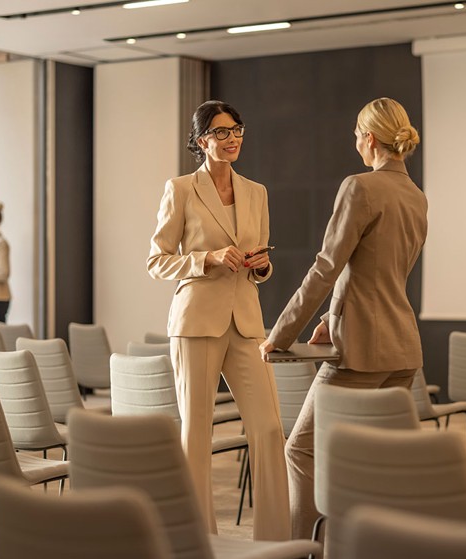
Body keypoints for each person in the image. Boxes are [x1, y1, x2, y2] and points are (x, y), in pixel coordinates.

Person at [259, 97, 428, 539]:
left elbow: (327, 267)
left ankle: (305, 551)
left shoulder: (360, 187)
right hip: (402, 350)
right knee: (371, 463)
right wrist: (331, 318)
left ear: (369, 138)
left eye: (356, 135)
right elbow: (379, 272)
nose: (355, 142)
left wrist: (281, 334)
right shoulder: (416, 197)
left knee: (301, 450)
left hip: (361, 353)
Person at [146, 100, 289, 541]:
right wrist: (206, 258)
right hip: (195, 322)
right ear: (201, 140)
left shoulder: (257, 192)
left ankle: (275, 539)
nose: (232, 139)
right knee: (196, 433)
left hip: (246, 323)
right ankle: (197, 539)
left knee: (269, 428)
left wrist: (261, 266)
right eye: (222, 132)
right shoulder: (181, 189)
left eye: (237, 130)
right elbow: (157, 261)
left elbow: (260, 259)